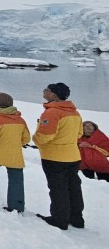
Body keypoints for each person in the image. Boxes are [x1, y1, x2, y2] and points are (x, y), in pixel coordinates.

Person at [32, 82, 84, 229]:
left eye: (46, 90)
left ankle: (59, 219)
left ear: (54, 94)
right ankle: (76, 218)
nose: (44, 92)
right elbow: (79, 134)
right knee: (73, 187)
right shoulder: (74, 112)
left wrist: (36, 139)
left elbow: (45, 135)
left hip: (54, 157)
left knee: (58, 188)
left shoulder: (53, 112)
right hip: (73, 155)